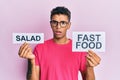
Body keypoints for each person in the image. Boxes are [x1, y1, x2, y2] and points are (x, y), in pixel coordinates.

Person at [18, 6, 101, 80]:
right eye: (55, 22)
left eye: (63, 23)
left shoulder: (78, 48)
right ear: (51, 24)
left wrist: (90, 67)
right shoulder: (40, 48)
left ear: (69, 25)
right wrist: (31, 60)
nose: (58, 27)